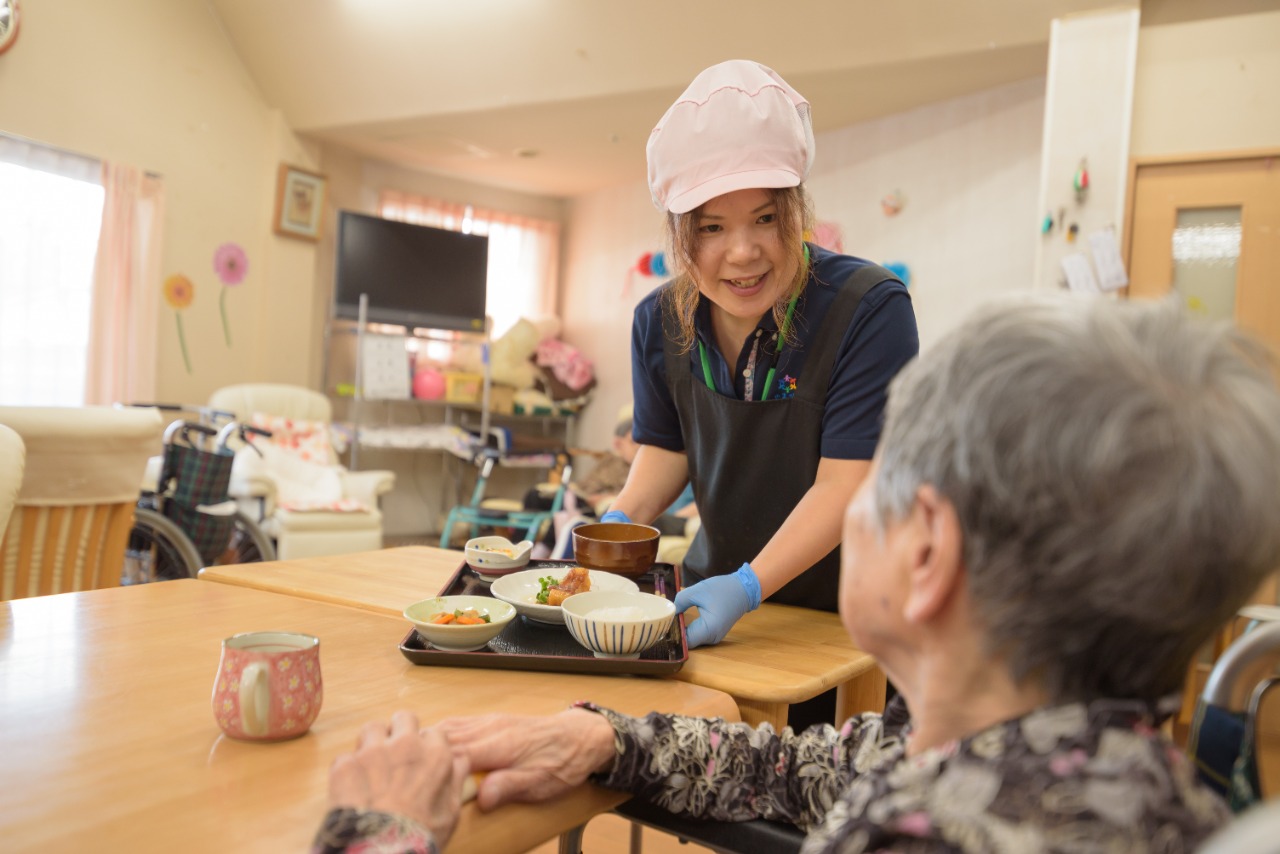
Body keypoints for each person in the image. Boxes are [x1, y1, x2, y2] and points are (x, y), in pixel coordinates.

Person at [312, 294, 1280, 852]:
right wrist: (606, 740)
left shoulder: (922, 835)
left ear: (927, 552)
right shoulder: (1095, 769)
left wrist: (379, 831)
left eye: (877, 481)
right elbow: (821, 764)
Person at [599, 59, 920, 653]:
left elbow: (845, 483)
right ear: (678, 234)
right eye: (712, 228)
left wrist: (749, 586)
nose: (742, 253)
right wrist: (617, 523)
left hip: (842, 619)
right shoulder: (659, 319)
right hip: (705, 608)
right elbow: (668, 446)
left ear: (796, 212)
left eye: (765, 219)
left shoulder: (867, 310)